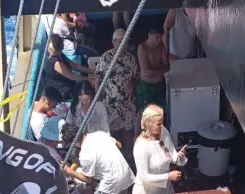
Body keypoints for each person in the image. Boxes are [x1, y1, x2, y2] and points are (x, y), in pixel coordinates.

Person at [133, 105, 191, 194]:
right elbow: (144, 176)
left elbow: (173, 156)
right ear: (148, 124)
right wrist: (168, 176)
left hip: (164, 185)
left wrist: (180, 157)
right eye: (158, 123)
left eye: (162, 122)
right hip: (146, 190)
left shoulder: (163, 132)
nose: (162, 126)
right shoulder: (141, 147)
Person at [94, 28, 139, 156]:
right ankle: (116, 157)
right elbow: (98, 79)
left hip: (128, 103)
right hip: (110, 104)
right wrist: (98, 100)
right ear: (113, 42)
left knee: (129, 131)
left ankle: (129, 157)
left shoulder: (131, 58)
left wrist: (133, 94)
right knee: (113, 132)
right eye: (120, 41)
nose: (123, 44)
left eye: (125, 41)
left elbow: (136, 78)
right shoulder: (106, 57)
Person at [75, 130, 134, 194]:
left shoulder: (84, 154)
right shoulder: (100, 133)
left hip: (111, 180)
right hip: (125, 174)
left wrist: (69, 171)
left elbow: (87, 179)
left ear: (74, 143)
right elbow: (119, 145)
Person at [44, 34, 88, 102]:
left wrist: (92, 71)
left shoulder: (60, 55)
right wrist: (89, 79)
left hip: (69, 85)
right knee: (88, 91)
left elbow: (75, 66)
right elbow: (72, 76)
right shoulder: (56, 63)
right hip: (63, 92)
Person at [137, 26, 170, 112]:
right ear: (149, 35)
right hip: (146, 86)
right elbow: (146, 71)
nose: (159, 40)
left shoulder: (161, 46)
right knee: (146, 114)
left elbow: (167, 66)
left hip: (160, 86)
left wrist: (155, 71)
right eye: (157, 37)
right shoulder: (143, 48)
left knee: (161, 112)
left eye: (160, 37)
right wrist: (161, 70)